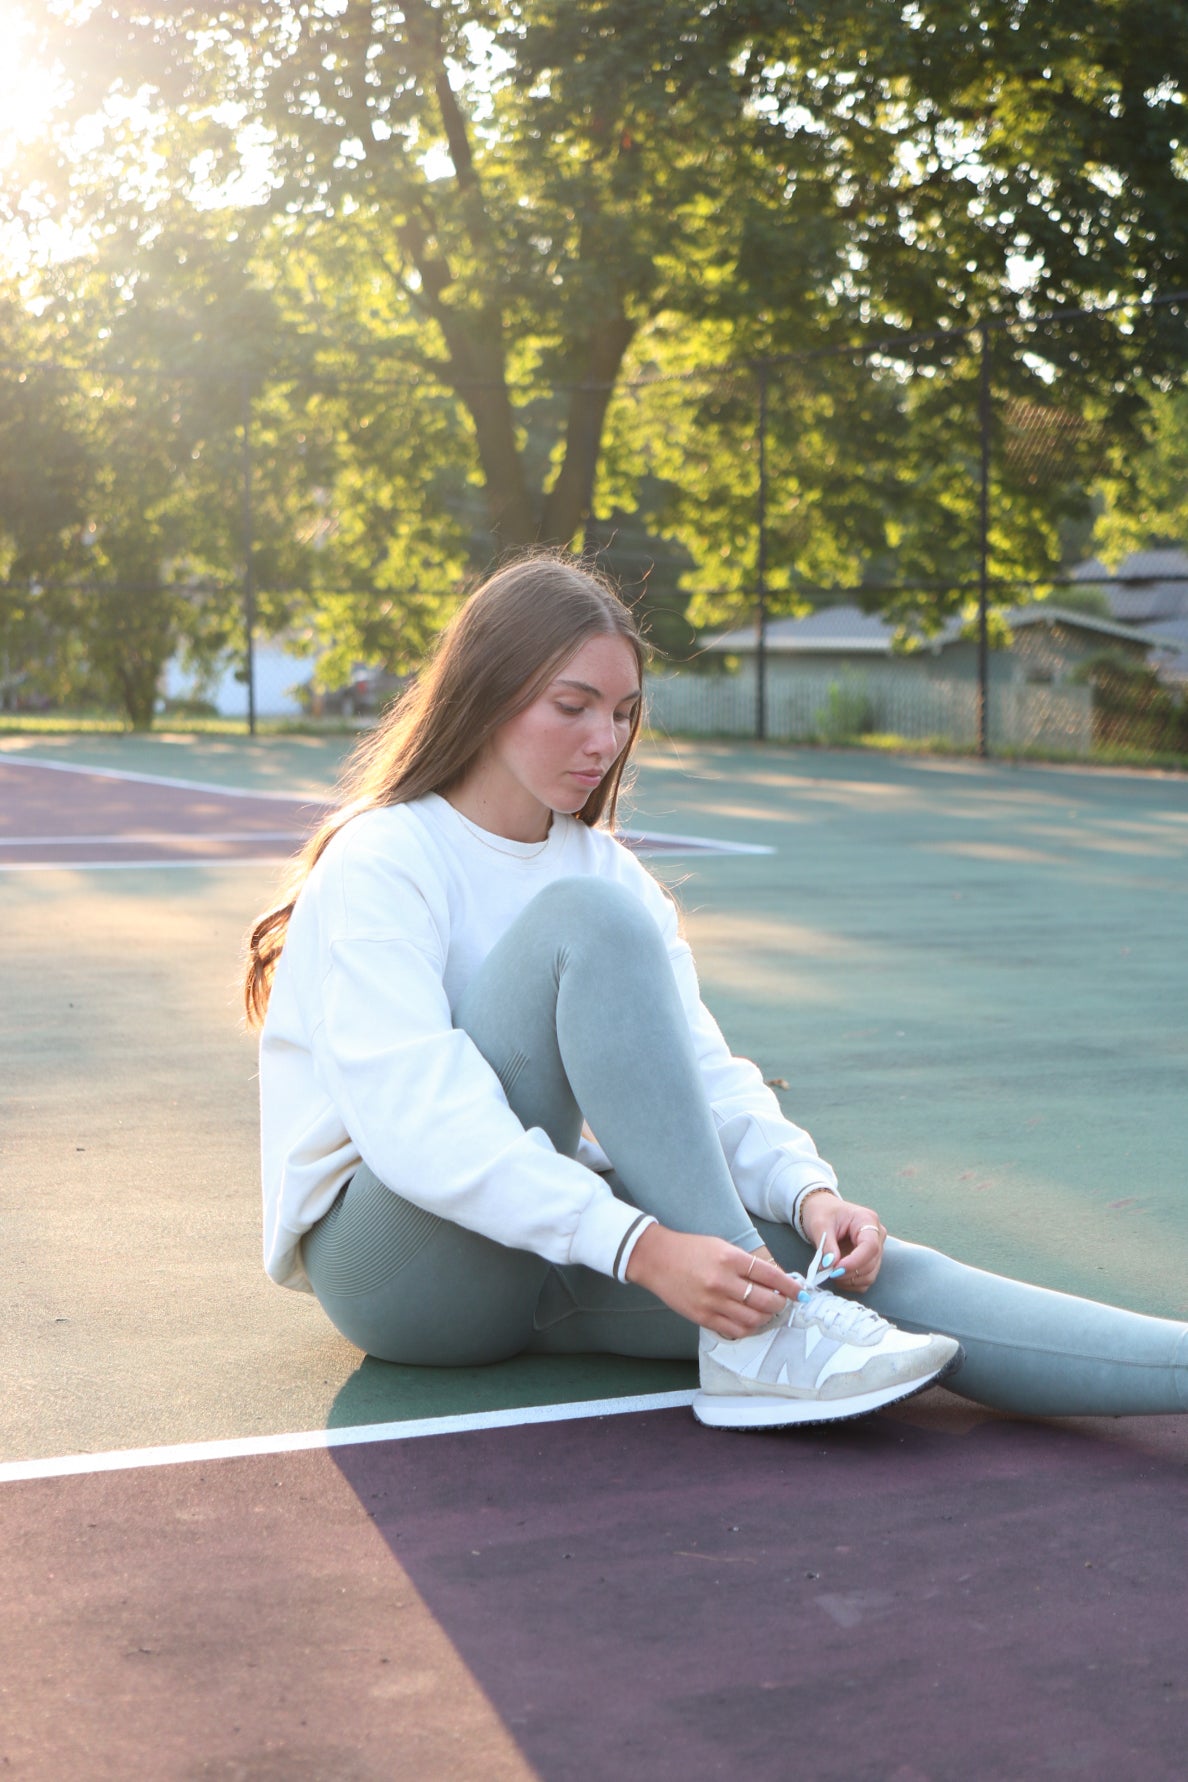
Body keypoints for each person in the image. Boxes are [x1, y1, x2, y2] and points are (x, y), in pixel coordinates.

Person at [245, 553, 1188, 1430]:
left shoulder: (607, 872)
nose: (603, 741)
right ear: (488, 696)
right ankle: (764, 1347)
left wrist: (809, 1192)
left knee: (843, 1279)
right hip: (404, 1269)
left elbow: (701, 1078)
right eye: (572, 706)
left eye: (621, 712)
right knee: (588, 925)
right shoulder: (389, 857)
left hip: (552, 1254)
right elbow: (416, 1123)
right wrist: (643, 1246)